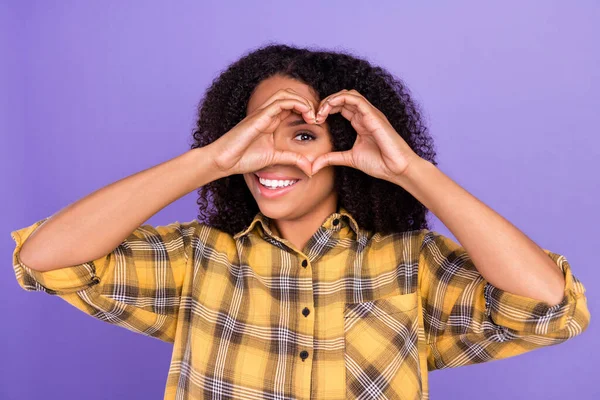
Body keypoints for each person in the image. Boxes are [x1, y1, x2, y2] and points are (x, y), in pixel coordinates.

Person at [10, 43, 590, 400]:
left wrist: (411, 171)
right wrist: (210, 160)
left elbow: (550, 307)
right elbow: (46, 258)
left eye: (302, 135)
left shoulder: (412, 265)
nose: (274, 157)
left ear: (348, 147)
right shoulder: (200, 259)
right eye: (258, 134)